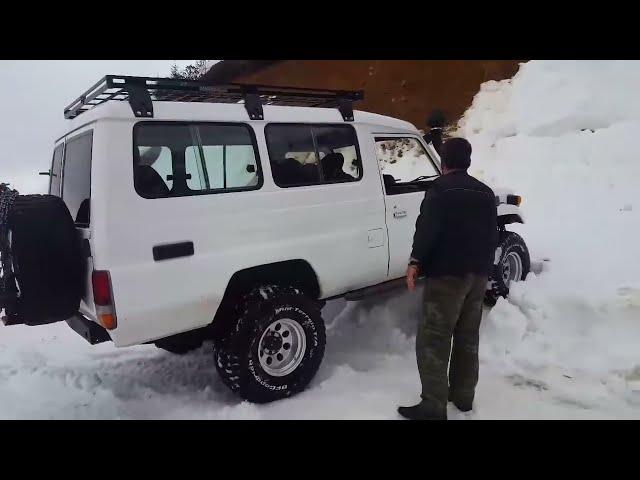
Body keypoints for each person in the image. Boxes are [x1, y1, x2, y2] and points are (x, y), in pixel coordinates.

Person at [398, 137, 498, 420]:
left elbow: (427, 229)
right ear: (467, 161)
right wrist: (483, 269)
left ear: (444, 162)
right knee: (468, 338)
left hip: (446, 278)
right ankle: (464, 397)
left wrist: (415, 261)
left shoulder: (439, 190)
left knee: (434, 338)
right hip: (477, 276)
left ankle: (433, 403)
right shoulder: (485, 193)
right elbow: (492, 235)